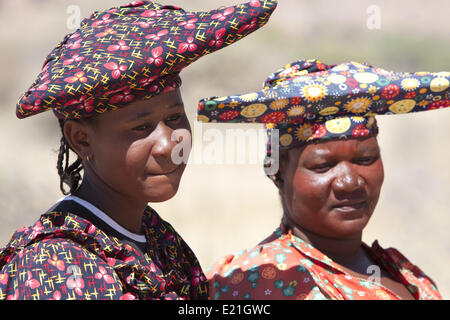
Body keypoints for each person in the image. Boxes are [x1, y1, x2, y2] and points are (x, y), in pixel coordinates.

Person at [0, 0, 277, 300]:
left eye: (174, 118)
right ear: (81, 139)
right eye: (141, 128)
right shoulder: (56, 268)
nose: (169, 144)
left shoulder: (160, 243)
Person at [197, 59, 449, 300]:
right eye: (323, 166)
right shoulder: (254, 280)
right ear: (278, 174)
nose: (350, 182)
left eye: (365, 160)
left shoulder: (405, 274)